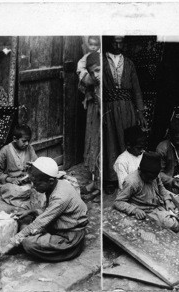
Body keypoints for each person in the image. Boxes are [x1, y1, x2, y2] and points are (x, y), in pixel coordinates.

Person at [0, 157, 89, 262]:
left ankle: (27, 242)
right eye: (32, 182)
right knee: (26, 211)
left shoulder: (60, 197)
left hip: (69, 237)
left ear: (50, 181)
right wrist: (31, 211)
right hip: (59, 223)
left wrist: (8, 245)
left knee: (29, 243)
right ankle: (26, 237)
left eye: (36, 183)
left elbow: (39, 222)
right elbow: (48, 211)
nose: (33, 186)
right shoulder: (57, 183)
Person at [103, 36, 147, 186]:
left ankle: (130, 177)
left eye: (120, 41)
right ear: (110, 42)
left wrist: (140, 111)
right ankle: (111, 179)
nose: (117, 44)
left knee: (127, 140)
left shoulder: (129, 64)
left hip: (127, 108)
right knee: (110, 141)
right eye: (114, 41)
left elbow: (137, 89)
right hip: (109, 107)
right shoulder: (102, 62)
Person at [114, 152, 179, 232]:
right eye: (149, 177)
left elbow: (160, 187)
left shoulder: (155, 175)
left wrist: (167, 200)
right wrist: (135, 210)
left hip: (158, 204)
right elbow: (118, 202)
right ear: (140, 170)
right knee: (172, 224)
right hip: (146, 211)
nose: (151, 180)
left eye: (153, 177)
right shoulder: (131, 181)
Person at [0, 124, 40, 207]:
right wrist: (9, 179)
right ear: (15, 139)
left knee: (40, 186)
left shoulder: (29, 148)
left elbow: (37, 164)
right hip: (12, 184)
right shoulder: (5, 150)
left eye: (28, 141)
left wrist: (33, 168)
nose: (27, 143)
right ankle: (26, 198)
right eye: (24, 141)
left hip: (27, 181)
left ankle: (27, 195)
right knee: (13, 191)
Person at [79, 52, 101, 197]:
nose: (96, 75)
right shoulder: (95, 81)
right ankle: (96, 181)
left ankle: (101, 183)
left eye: (98, 71)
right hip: (98, 115)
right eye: (92, 73)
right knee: (96, 145)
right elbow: (84, 78)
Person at [113, 125, 147, 189]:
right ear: (128, 145)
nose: (142, 150)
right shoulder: (121, 162)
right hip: (132, 194)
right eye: (139, 148)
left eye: (143, 147)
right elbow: (124, 187)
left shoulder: (143, 154)